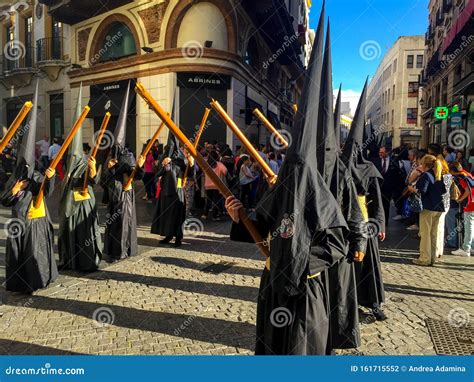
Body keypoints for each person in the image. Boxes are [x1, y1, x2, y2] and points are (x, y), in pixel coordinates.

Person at [2, 83, 58, 293]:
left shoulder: (35, 175)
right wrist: (14, 191)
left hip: (37, 220)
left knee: (38, 252)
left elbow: (46, 190)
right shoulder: (12, 179)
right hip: (19, 221)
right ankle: (22, 283)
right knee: (20, 255)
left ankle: (41, 279)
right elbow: (5, 200)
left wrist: (50, 179)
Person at [58, 85, 102, 271]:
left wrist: (92, 170)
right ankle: (69, 260)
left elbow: (93, 180)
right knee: (69, 233)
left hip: (84, 206)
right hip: (70, 207)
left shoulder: (85, 163)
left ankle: (87, 261)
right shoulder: (68, 166)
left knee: (84, 233)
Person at [408, 155, 447, 266]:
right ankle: (432, 257)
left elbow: (422, 191)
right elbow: (443, 190)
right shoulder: (439, 174)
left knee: (425, 234)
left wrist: (412, 189)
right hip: (439, 207)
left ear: (424, 164)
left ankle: (424, 258)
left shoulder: (426, 175)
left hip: (428, 207)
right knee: (433, 234)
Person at [151, 140, 187, 247]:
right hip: (165, 192)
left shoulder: (181, 160)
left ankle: (178, 238)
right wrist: (164, 165)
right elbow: (157, 174)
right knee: (166, 216)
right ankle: (168, 235)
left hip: (177, 192)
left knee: (177, 216)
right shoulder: (164, 159)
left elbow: (189, 172)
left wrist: (192, 163)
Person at [451, 163, 474, 257]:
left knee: (469, 226)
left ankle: (466, 249)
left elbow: (467, 191)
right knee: (471, 226)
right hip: (472, 202)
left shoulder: (460, 177)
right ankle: (471, 247)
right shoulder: (467, 173)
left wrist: (460, 199)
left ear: (453, 171)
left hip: (470, 203)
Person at [202, 150, 227, 220]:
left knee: (208, 201)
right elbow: (225, 171)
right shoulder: (219, 164)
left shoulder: (206, 164)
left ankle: (205, 214)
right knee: (216, 201)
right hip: (217, 185)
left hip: (207, 185)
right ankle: (214, 216)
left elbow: (203, 172)